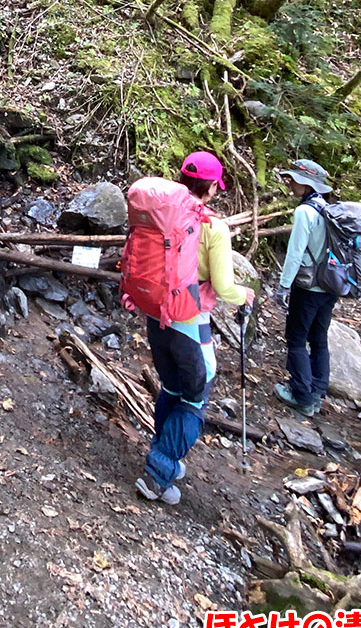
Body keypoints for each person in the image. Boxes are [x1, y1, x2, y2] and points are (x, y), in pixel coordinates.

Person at [134, 151, 255, 506]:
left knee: (172, 385)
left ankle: (163, 452)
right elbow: (224, 285)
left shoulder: (164, 212)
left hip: (157, 312)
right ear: (213, 187)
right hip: (189, 318)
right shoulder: (213, 227)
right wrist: (244, 294)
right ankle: (157, 474)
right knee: (194, 397)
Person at [273, 158, 336, 418]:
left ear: (307, 184)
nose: (290, 183)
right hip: (330, 285)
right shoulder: (328, 208)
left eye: (294, 179)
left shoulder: (304, 212)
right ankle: (318, 390)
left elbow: (295, 253)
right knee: (319, 338)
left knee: (297, 339)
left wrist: (283, 286)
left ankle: (302, 395)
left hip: (308, 286)